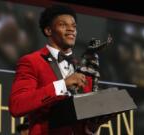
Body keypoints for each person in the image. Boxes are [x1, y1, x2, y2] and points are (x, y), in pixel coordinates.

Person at [9, 5, 93, 135]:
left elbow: (81, 126)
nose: (71, 29)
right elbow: (17, 105)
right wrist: (63, 84)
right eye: (63, 25)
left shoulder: (84, 70)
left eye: (74, 26)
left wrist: (92, 127)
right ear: (48, 30)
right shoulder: (31, 62)